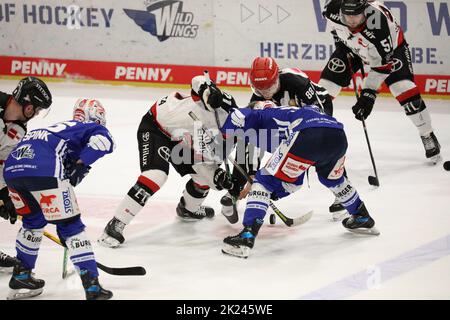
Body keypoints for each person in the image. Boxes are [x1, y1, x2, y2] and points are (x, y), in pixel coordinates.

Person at [203, 87, 379, 258]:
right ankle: (361, 216)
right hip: (337, 134)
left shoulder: (257, 112)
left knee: (263, 181)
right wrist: (269, 193)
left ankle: (246, 236)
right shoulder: (285, 115)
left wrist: (219, 139)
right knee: (333, 179)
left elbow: (238, 115)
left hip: (307, 133)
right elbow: (293, 177)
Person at [98, 75, 241, 248]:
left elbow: (203, 165)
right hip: (156, 126)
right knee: (156, 175)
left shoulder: (227, 143)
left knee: (204, 179)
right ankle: (116, 223)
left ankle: (188, 209)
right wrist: (207, 90)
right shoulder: (226, 105)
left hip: (182, 138)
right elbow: (197, 81)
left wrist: (219, 178)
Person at [3, 98, 115, 300]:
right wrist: (82, 163)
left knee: (32, 221)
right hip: (43, 169)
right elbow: (105, 142)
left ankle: (22, 274)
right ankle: (92, 286)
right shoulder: (89, 127)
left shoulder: (57, 129)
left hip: (12, 171)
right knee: (71, 227)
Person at [221, 57, 344, 222]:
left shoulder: (297, 82)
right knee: (249, 136)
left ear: (277, 77)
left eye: (269, 87)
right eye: (259, 89)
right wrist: (251, 176)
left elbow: (320, 115)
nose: (265, 93)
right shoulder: (258, 97)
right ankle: (235, 187)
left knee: (322, 146)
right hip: (286, 119)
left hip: (316, 111)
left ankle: (341, 192)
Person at [319, 0, 441, 164]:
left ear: (365, 12)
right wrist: (340, 41)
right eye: (347, 16)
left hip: (391, 51)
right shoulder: (331, 8)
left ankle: (426, 133)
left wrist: (368, 95)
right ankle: (317, 136)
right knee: (323, 91)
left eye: (356, 16)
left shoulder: (379, 24)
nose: (351, 21)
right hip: (351, 49)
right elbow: (332, 26)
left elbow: (382, 66)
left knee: (404, 89)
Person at [0, 77, 52, 271]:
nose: (36, 114)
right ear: (28, 105)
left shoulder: (19, 130)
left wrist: (4, 192)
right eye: (37, 109)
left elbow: (2, 163)